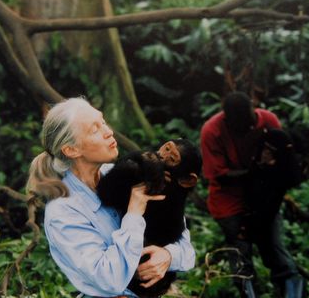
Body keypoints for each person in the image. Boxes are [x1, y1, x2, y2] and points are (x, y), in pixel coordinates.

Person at [27, 97, 195, 298]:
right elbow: (110, 280)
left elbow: (185, 246)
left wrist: (168, 256)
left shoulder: (116, 173)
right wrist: (134, 212)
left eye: (103, 122)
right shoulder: (63, 212)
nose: (109, 132)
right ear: (72, 150)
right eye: (95, 129)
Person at [200, 92, 303, 298]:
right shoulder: (212, 131)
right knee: (241, 256)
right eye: (240, 127)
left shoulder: (268, 121)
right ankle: (247, 292)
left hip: (263, 197)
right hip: (228, 200)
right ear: (227, 120)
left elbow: (285, 167)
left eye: (250, 123)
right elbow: (219, 176)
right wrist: (257, 169)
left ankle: (293, 291)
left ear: (253, 109)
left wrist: (271, 189)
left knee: (275, 250)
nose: (247, 130)